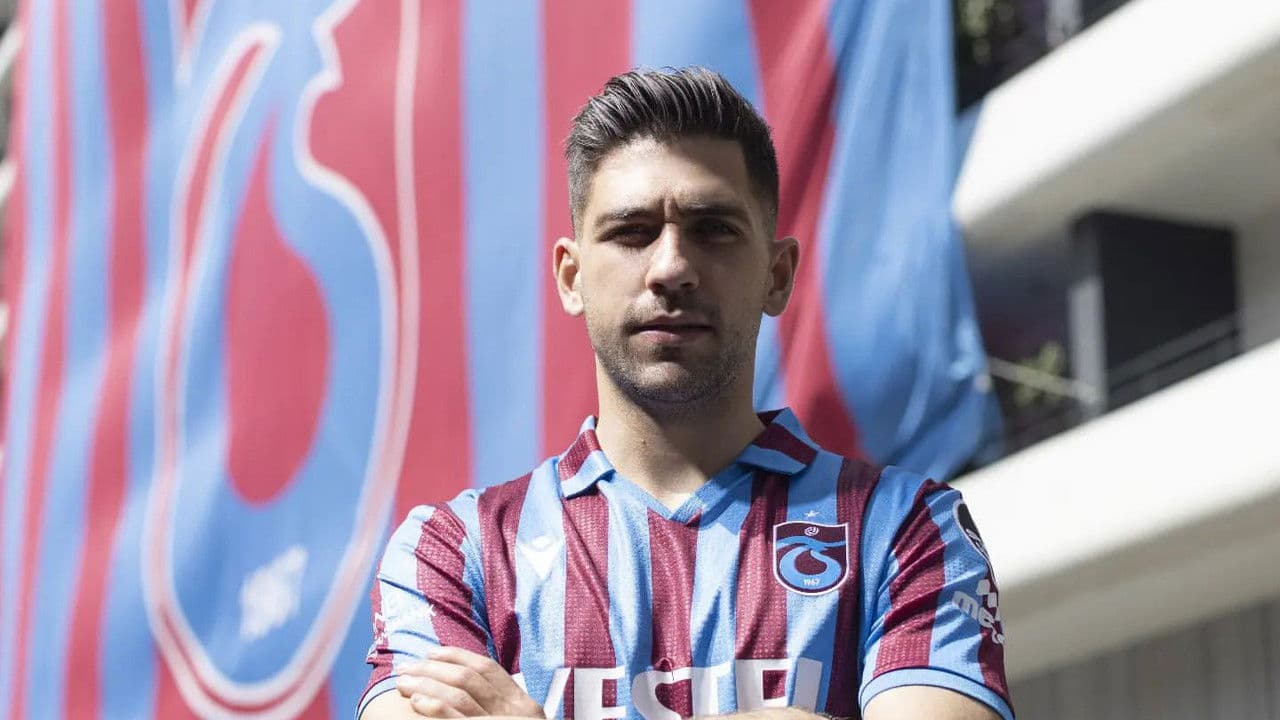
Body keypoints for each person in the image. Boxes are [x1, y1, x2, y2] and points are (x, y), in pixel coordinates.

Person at [358, 67, 1012, 720]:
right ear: (571, 277)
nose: (671, 267)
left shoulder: (907, 528)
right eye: (631, 232)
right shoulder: (453, 552)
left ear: (777, 275)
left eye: (713, 229)